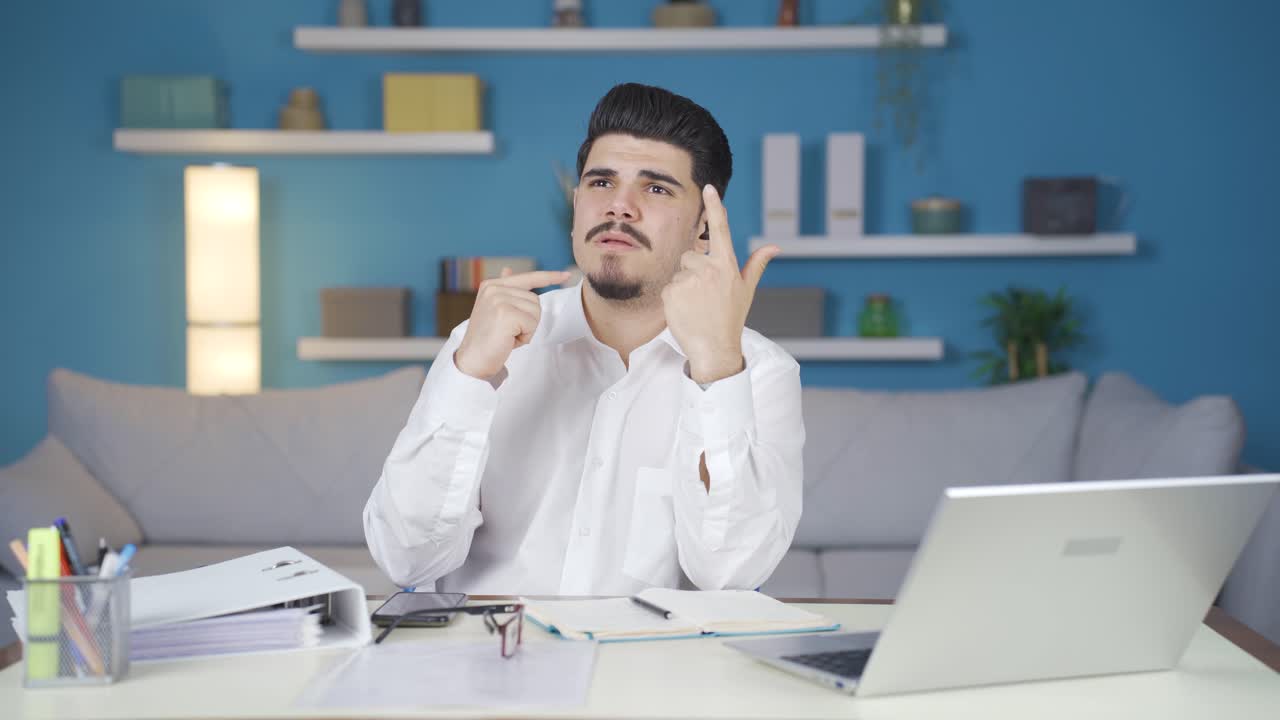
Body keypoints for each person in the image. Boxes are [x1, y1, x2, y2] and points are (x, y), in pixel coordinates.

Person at [364, 83, 803, 595]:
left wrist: (717, 367)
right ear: (577, 207)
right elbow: (406, 560)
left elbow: (731, 574)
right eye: (601, 182)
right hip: (490, 639)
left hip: (654, 647)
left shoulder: (758, 371)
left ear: (704, 228)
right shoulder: (483, 344)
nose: (620, 206)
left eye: (656, 189)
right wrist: (469, 379)